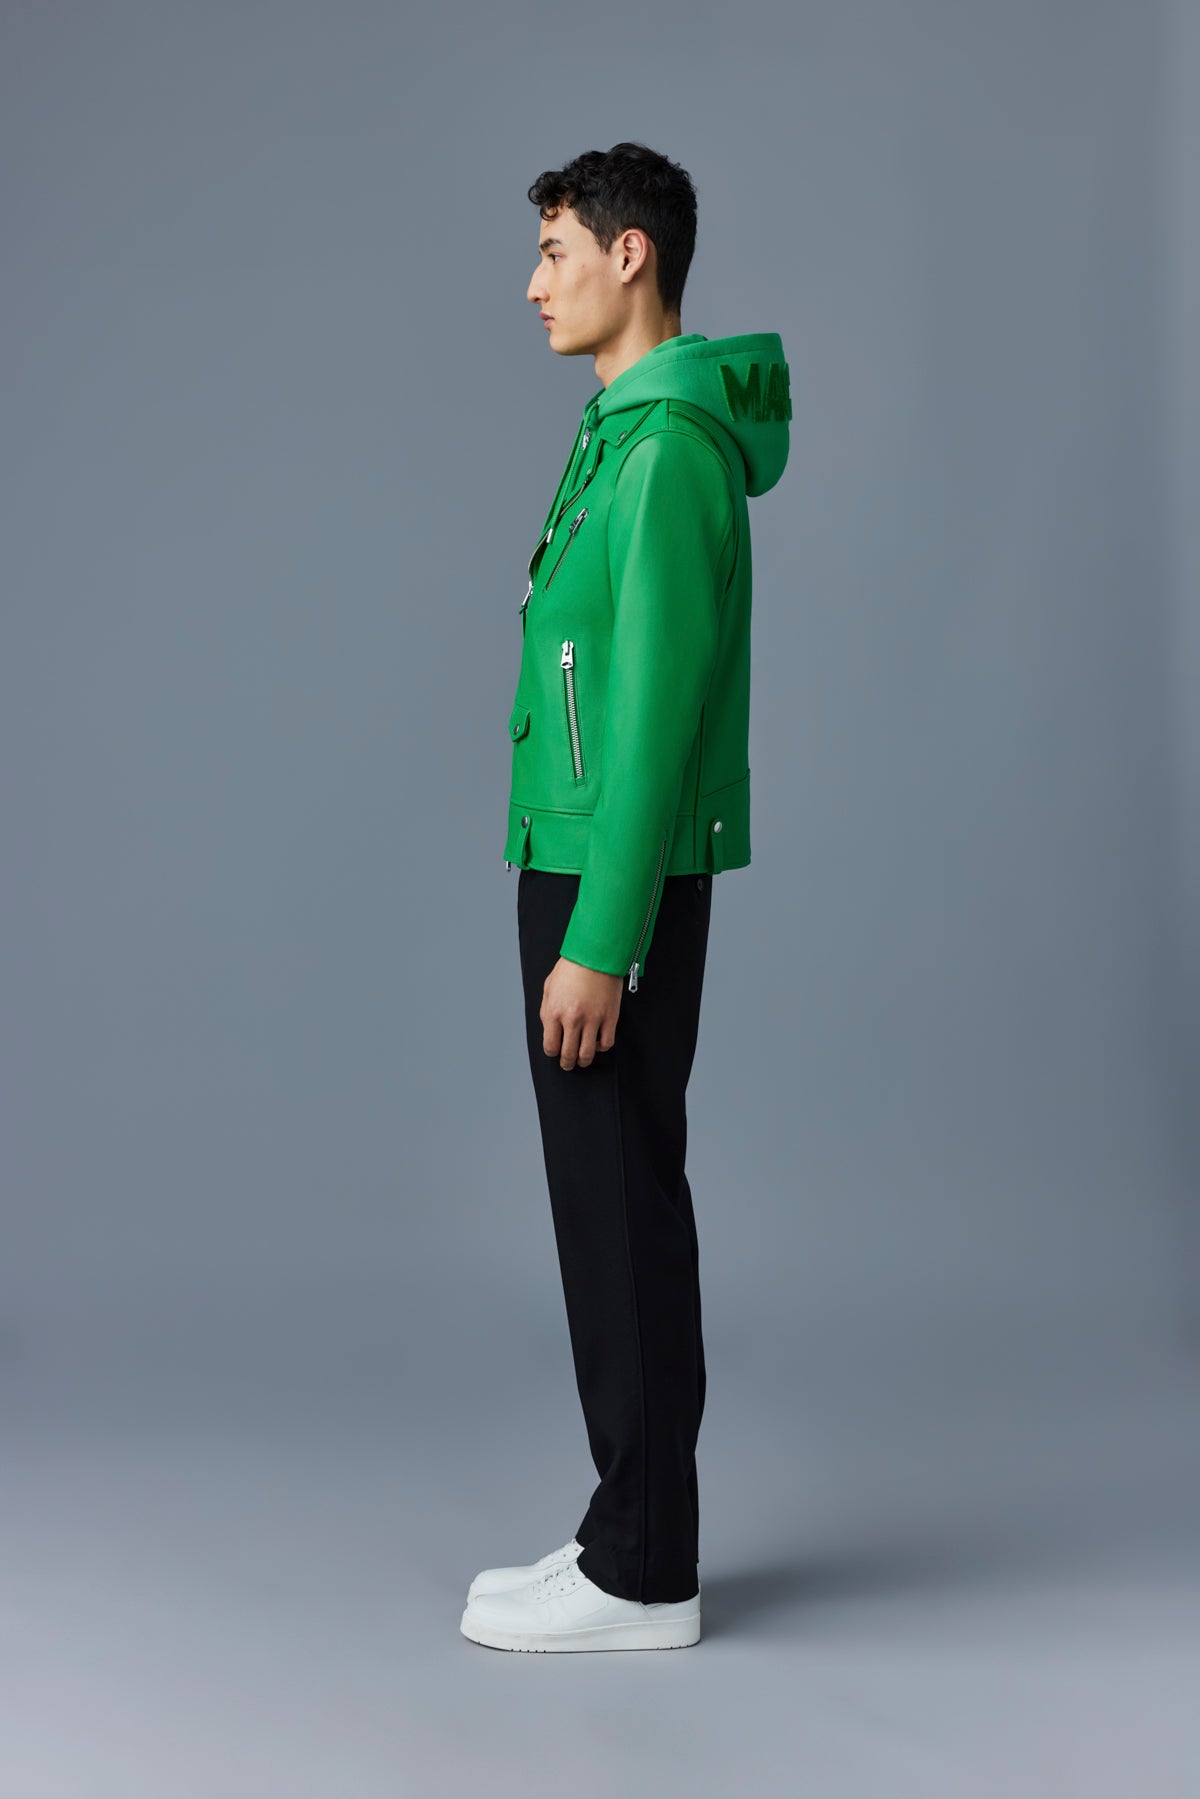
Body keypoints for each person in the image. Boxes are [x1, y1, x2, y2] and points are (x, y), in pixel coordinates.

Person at [460, 141, 791, 1654]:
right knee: (606, 1198)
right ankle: (630, 1530)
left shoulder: (665, 456)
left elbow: (656, 717)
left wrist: (602, 940)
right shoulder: (623, 432)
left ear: (629, 253)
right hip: (579, 857)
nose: (535, 284)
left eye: (555, 251)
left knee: (619, 1200)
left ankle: (645, 1569)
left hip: (612, 877)